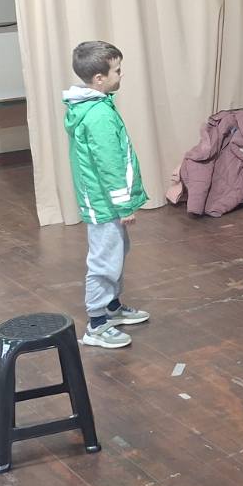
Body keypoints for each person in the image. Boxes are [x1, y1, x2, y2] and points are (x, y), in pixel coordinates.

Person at [63, 41, 151, 348]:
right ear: (99, 78)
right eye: (117, 70)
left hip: (104, 201)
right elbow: (110, 164)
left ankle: (111, 308)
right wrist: (124, 204)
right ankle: (97, 324)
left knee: (116, 251)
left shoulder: (95, 106)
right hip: (104, 204)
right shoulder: (98, 114)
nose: (121, 75)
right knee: (104, 260)